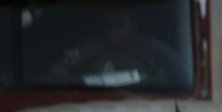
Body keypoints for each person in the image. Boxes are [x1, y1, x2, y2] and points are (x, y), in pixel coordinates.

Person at [51, 9, 183, 87]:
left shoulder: (151, 47)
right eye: (109, 24)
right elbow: (58, 71)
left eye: (119, 23)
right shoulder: (92, 46)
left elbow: (181, 72)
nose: (113, 30)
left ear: (133, 27)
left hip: (143, 103)